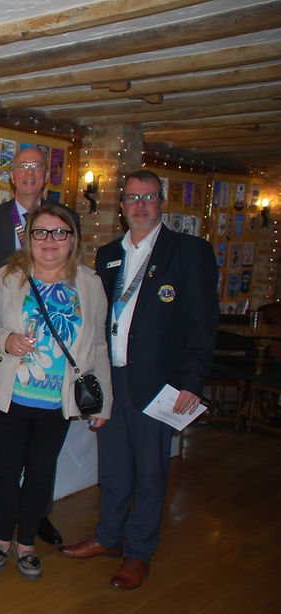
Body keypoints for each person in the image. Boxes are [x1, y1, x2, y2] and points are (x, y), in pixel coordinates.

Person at [60, 170, 218, 590]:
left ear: (161, 202)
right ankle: (109, 536)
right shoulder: (109, 254)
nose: (140, 205)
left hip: (160, 383)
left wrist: (193, 382)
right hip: (113, 378)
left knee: (150, 472)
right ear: (122, 205)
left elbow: (204, 324)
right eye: (132, 198)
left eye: (148, 197)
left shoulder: (188, 252)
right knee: (113, 467)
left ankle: (138, 551)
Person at [0, 203, 112, 580]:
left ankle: (26, 544)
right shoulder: (7, 277)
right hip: (10, 396)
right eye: (41, 232)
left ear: (73, 239)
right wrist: (6, 339)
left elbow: (98, 345)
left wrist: (103, 402)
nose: (50, 240)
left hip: (57, 400)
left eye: (60, 232)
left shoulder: (89, 284)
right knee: (5, 472)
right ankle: (1, 538)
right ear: (29, 238)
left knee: (40, 473)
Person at [0, 146, 65, 546]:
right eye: (23, 167)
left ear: (46, 175)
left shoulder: (63, 219)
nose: (30, 173)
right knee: (4, 450)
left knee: (44, 453)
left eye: (37, 167)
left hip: (51, 355)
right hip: (5, 345)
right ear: (11, 176)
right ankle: (0, 515)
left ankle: (38, 514)